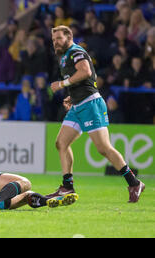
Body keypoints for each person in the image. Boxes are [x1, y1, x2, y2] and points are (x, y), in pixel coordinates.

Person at [49, 25, 145, 203]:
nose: (56, 42)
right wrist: (72, 95)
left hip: (91, 104)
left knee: (103, 148)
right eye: (54, 39)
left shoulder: (76, 51)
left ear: (69, 37)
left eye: (59, 38)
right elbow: (86, 79)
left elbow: (85, 71)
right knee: (61, 143)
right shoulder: (64, 57)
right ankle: (67, 187)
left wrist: (62, 85)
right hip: (78, 105)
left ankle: (134, 182)